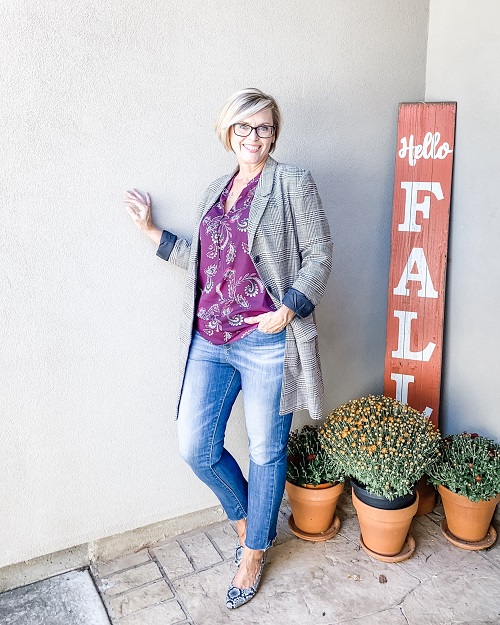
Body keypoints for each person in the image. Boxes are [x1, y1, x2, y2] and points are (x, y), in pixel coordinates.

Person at [124, 88, 332, 608]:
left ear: (274, 134)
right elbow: (204, 262)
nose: (253, 137)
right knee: (195, 445)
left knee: (265, 449)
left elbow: (320, 254)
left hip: (264, 339)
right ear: (228, 133)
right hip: (208, 337)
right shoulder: (217, 189)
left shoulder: (291, 183)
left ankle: (254, 550)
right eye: (244, 128)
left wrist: (288, 308)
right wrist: (153, 234)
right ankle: (248, 519)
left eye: (263, 128)